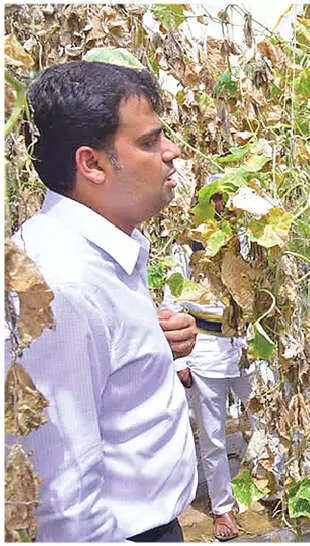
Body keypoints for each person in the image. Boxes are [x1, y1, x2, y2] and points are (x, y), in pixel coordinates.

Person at [8, 61, 197, 541]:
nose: (171, 152)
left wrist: (146, 344)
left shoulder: (100, 253)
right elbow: (62, 498)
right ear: (91, 164)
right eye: (150, 142)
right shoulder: (63, 283)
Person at [162, 182, 254, 542]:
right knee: (213, 435)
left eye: (227, 199)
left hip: (247, 343)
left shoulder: (252, 240)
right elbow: (171, 301)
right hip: (204, 346)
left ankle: (275, 485)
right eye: (214, 199)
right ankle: (223, 506)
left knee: (264, 422)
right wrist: (177, 362)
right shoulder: (187, 246)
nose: (222, 206)